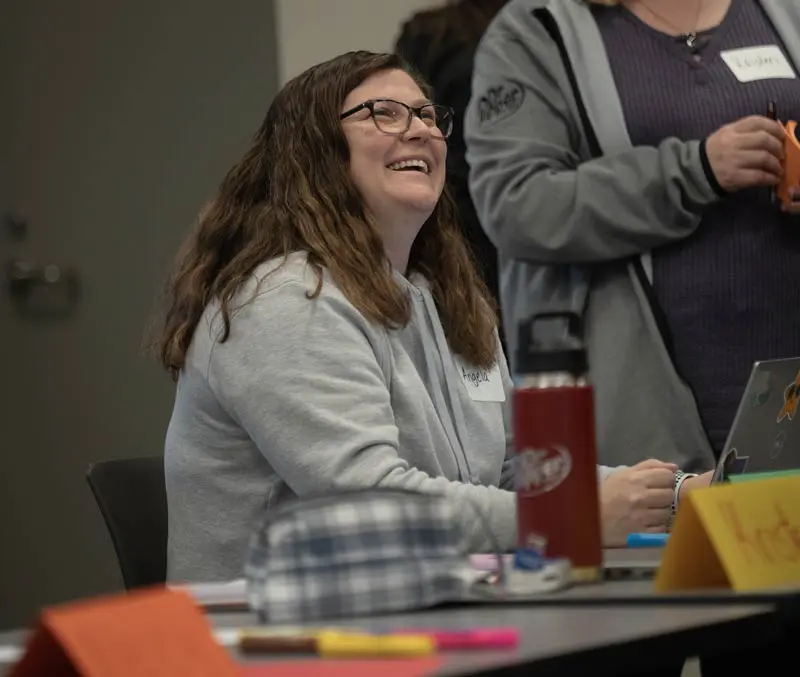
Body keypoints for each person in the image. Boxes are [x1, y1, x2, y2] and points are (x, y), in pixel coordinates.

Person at [153, 50, 709, 583]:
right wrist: (563, 516)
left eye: (426, 114)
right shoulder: (286, 301)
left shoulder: (447, 301)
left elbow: (514, 469)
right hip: (277, 640)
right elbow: (370, 504)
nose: (419, 129)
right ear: (314, 149)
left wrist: (679, 496)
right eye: (383, 114)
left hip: (425, 606)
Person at [465, 0, 800, 473]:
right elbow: (516, 204)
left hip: (784, 370)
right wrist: (695, 171)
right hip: (643, 397)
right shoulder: (539, 29)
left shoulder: (782, 11)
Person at [394, 0, 510, 351]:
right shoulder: (548, 29)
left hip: (455, 215)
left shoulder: (432, 31)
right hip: (478, 218)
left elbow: (410, 115)